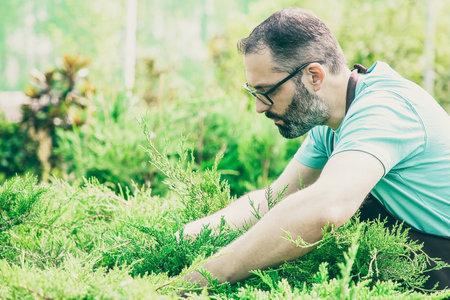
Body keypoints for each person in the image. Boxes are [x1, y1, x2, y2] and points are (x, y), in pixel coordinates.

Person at [181, 7, 450, 290]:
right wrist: (179, 239)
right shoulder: (334, 120)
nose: (259, 107)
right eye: (254, 93)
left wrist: (202, 278)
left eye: (267, 91)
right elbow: (272, 199)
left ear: (314, 76)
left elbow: (325, 207)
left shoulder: (384, 110)